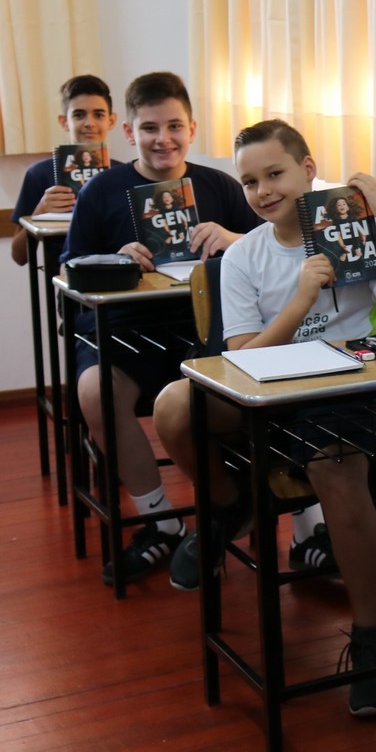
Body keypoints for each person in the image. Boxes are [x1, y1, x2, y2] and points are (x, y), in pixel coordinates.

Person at [153, 118, 376, 717]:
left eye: (275, 174)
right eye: (250, 182)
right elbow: (241, 359)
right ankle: (230, 504)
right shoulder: (245, 255)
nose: (263, 191)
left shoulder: (350, 234)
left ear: (308, 169)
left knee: (336, 469)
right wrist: (301, 299)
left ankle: (371, 636)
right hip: (263, 391)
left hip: (340, 392)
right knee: (173, 404)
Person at [60, 71, 261, 586]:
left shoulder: (219, 185)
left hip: (204, 334)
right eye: (149, 128)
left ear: (192, 128)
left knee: (258, 377)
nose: (163, 139)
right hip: (121, 333)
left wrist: (234, 237)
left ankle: (247, 505)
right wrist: (115, 258)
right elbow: (70, 267)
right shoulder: (102, 190)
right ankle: (160, 521)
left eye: (174, 126)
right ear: (129, 132)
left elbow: (276, 250)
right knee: (94, 391)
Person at [10, 74, 119, 266]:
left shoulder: (121, 173)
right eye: (79, 115)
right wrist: (38, 214)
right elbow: (19, 257)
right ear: (64, 121)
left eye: (99, 114)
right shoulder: (40, 174)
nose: (89, 123)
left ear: (111, 121)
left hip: (120, 275)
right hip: (64, 278)